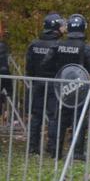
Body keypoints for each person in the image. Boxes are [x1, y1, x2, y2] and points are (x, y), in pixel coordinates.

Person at [40, 14, 90, 160]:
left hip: (60, 88)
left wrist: (57, 73)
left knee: (58, 120)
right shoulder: (87, 48)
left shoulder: (57, 45)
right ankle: (77, 153)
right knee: (79, 120)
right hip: (80, 89)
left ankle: (56, 152)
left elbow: (45, 65)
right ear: (83, 28)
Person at [25, 14, 65, 154]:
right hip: (54, 84)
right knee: (53, 116)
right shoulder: (59, 45)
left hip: (37, 83)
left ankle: (32, 147)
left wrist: (32, 78)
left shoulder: (34, 44)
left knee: (36, 116)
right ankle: (52, 147)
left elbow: (29, 66)